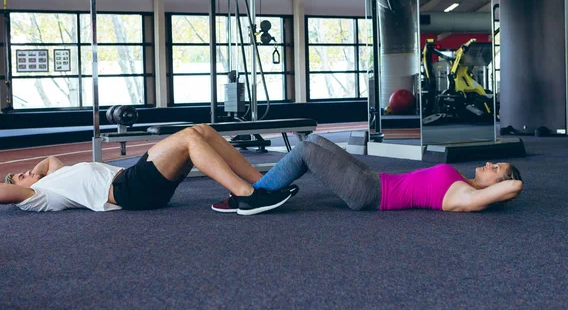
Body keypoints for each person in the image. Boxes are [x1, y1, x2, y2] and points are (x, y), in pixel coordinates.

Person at [0, 124, 295, 216]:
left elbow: (47, 162)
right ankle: (247, 194)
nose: (26, 176)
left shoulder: (55, 175)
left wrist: (33, 170)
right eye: (20, 178)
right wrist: (21, 185)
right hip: (129, 189)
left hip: (134, 181)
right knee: (187, 139)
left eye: (24, 174)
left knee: (202, 130)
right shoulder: (40, 193)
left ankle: (262, 182)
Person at [211, 133, 524, 213]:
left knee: (306, 151)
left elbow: (516, 187)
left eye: (497, 170)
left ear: (497, 186)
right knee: (314, 141)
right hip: (374, 178)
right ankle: (262, 188)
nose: (490, 165)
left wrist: (507, 184)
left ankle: (253, 196)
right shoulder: (464, 183)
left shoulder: (465, 196)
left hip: (369, 193)